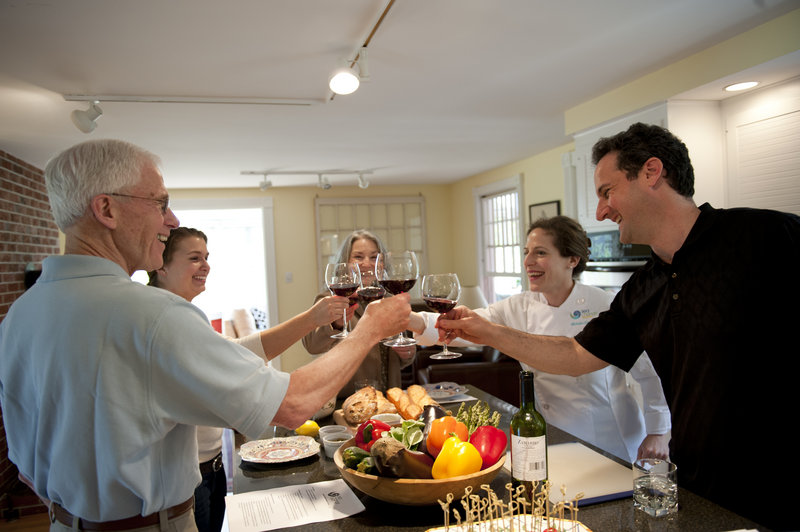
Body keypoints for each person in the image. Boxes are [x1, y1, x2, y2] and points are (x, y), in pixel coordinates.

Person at [0, 139, 410, 530]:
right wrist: (369, 329)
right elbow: (292, 404)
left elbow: (23, 460)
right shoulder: (153, 314)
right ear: (106, 209)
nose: (172, 220)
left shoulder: (20, 313)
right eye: (159, 202)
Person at [437, 123, 800, 530]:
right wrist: (487, 330)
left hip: (781, 492)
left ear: (651, 172)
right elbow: (575, 356)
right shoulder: (643, 289)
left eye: (607, 191)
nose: (600, 212)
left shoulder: (766, 236)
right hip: (699, 489)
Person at [409, 216, 670, 463]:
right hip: (553, 434)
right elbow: (471, 325)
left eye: (540, 252)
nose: (528, 261)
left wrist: (658, 431)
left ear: (572, 260)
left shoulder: (606, 304)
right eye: (526, 252)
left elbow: (649, 370)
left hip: (610, 434)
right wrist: (414, 321)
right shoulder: (518, 306)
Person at [147, 227, 347, 532]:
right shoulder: (163, 319)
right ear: (161, 265)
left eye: (206, 257)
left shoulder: (187, 314)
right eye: (194, 258)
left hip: (211, 467)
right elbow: (255, 384)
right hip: (186, 479)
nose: (205, 266)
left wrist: (311, 318)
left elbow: (242, 352)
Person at [303, 230, 416, 398]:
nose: (367, 264)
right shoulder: (330, 299)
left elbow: (404, 354)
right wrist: (337, 323)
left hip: (389, 401)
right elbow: (312, 345)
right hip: (347, 401)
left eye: (373, 257)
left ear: (382, 263)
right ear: (345, 262)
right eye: (358, 257)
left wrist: (407, 353)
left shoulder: (390, 299)